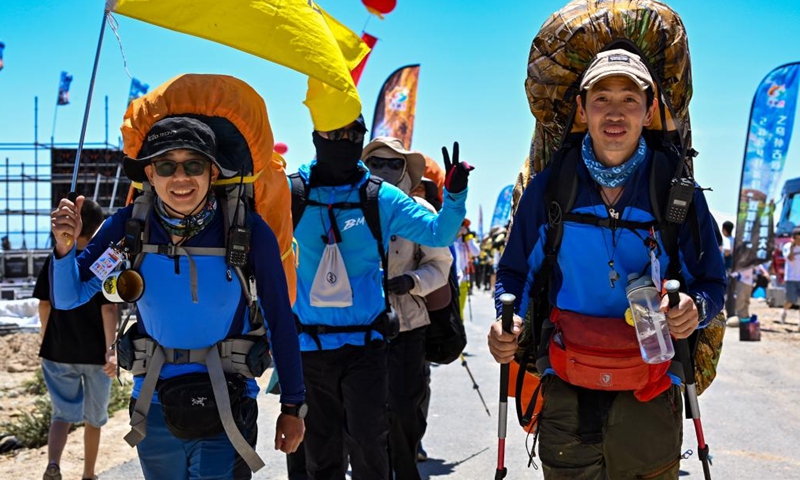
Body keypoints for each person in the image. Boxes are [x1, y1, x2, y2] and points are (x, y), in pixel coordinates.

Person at [488, 49, 726, 479]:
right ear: (582, 108)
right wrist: (509, 321)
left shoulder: (674, 191)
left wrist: (695, 309)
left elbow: (711, 282)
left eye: (630, 99)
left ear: (650, 109)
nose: (615, 113)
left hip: (652, 385)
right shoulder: (551, 188)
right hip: (567, 379)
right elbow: (515, 272)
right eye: (602, 99)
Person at [49, 117, 305, 479]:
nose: (180, 178)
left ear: (212, 172)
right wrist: (63, 248)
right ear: (151, 174)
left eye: (194, 165)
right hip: (153, 405)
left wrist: (294, 405)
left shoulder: (246, 229)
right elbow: (68, 298)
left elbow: (280, 319)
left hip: (228, 404)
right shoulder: (128, 226)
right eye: (167, 166)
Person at [290, 115, 471, 479]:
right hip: (308, 346)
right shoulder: (292, 192)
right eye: (333, 132)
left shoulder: (386, 199)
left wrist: (454, 197)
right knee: (319, 453)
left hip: (376, 343)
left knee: (374, 447)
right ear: (315, 136)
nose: (342, 139)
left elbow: (439, 236)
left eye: (352, 133)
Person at [362, 136, 453, 480]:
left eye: (393, 164)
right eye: (376, 163)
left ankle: (405, 466)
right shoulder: (344, 207)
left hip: (408, 323)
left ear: (405, 169)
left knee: (404, 409)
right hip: (357, 324)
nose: (385, 170)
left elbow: (439, 264)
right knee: (363, 412)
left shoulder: (421, 212)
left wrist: (412, 282)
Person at [35, 199, 117, 480]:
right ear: (98, 228)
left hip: (58, 351)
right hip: (95, 353)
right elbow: (109, 308)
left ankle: (54, 464)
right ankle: (88, 474)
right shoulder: (103, 261)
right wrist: (111, 350)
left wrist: (46, 336)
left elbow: (44, 304)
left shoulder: (56, 257)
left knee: (61, 414)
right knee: (94, 419)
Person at [781, 227, 800, 326]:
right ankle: (784, 312)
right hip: (791, 278)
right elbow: (790, 258)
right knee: (790, 300)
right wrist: (793, 247)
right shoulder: (787, 246)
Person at [721, 220, 737, 318]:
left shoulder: (726, 240)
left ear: (724, 229)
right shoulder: (735, 240)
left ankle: (722, 313)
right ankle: (731, 314)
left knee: (725, 293)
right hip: (734, 270)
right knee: (731, 293)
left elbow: (726, 251)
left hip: (727, 270)